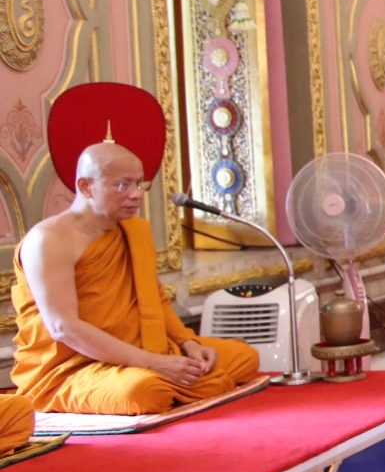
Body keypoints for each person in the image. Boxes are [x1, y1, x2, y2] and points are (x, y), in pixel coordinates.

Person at [12, 141, 259, 420]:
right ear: (85, 187)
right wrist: (156, 363)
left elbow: (155, 299)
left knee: (244, 358)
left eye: (140, 184)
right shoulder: (49, 240)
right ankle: (165, 380)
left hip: (143, 352)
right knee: (143, 391)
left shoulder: (135, 231)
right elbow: (63, 328)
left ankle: (170, 377)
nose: (136, 195)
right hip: (75, 366)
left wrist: (189, 343)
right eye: (123, 185)